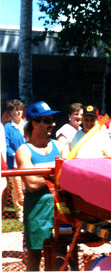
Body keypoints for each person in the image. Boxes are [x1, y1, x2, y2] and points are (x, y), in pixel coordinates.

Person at [15, 101, 69, 271]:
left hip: (62, 211)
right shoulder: (24, 151)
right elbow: (30, 184)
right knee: (35, 256)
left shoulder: (60, 146)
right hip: (37, 211)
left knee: (61, 254)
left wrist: (43, 174)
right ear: (34, 123)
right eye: (47, 120)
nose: (53, 124)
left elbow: (71, 178)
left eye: (52, 120)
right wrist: (57, 175)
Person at [4, 99, 27, 169]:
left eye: (20, 109)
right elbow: (6, 146)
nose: (19, 112)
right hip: (14, 163)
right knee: (15, 180)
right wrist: (15, 155)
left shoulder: (28, 124)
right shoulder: (7, 127)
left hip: (28, 159)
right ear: (11, 112)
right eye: (16, 110)